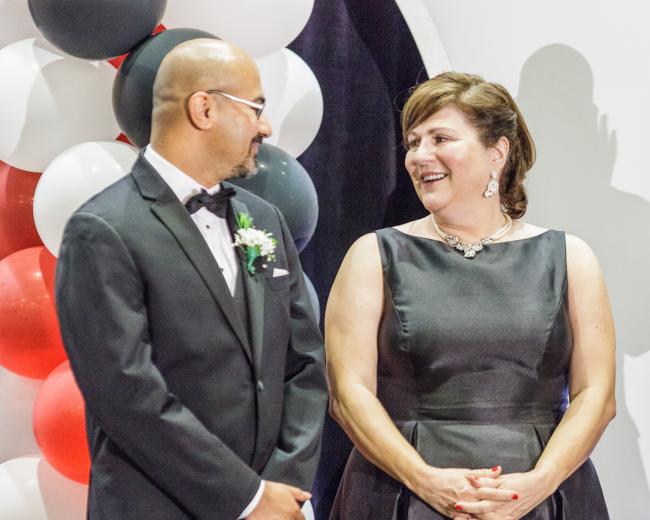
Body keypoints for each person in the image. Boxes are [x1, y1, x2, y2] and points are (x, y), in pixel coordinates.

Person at [55, 38, 327, 520]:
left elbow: (304, 362)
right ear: (203, 109)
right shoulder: (102, 229)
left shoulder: (264, 218)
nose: (266, 127)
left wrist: (283, 487)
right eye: (256, 108)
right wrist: (246, 498)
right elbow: (126, 393)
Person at [325, 72, 615, 519]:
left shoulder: (570, 257)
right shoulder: (372, 256)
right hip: (401, 490)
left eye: (440, 138)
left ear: (497, 153)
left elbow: (596, 394)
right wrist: (424, 479)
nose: (420, 156)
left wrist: (539, 483)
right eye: (413, 142)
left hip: (539, 489)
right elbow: (348, 392)